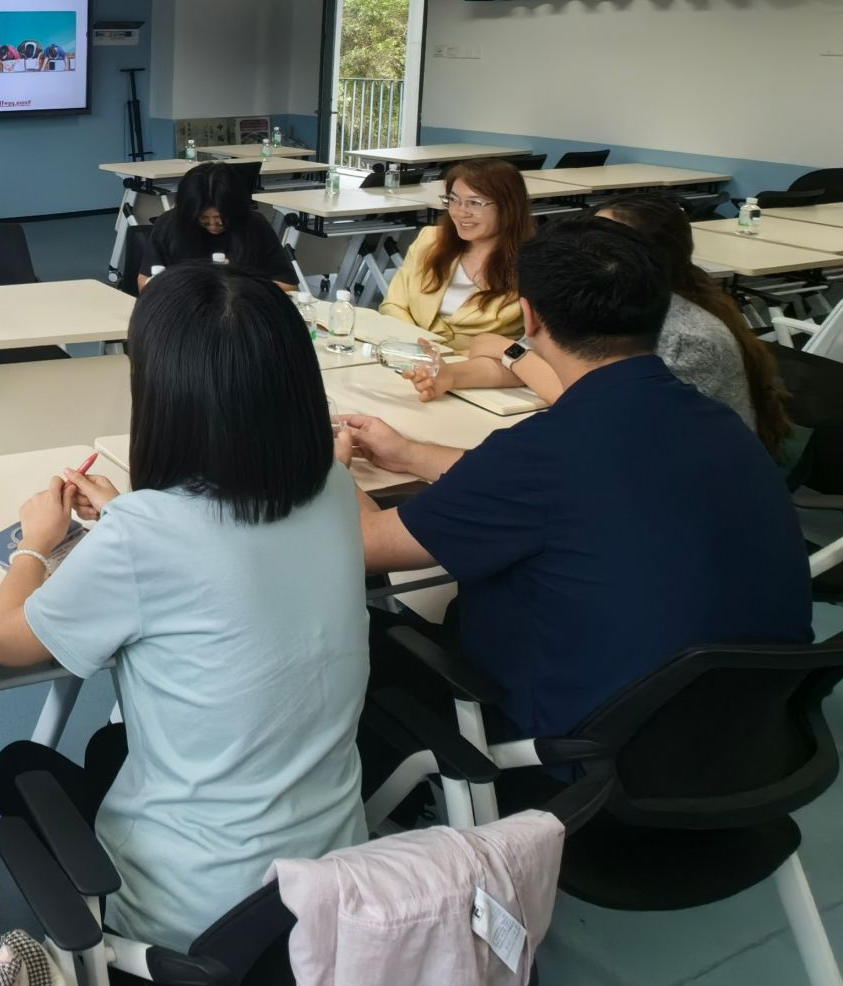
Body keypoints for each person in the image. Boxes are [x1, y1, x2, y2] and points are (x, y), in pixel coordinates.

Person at [0, 264, 369, 953]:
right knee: (110, 745)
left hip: (196, 913)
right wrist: (132, 511)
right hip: (335, 881)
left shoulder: (145, 535)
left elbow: (8, 640)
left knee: (19, 767)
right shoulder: (336, 488)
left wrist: (35, 544)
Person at [343, 218, 810, 742]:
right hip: (748, 734)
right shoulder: (717, 423)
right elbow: (564, 488)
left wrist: (330, 467)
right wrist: (411, 455)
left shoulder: (542, 451)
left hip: (584, 749)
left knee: (363, 634)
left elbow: (362, 547)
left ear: (530, 318)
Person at [405, 194, 791, 453]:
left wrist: (510, 351)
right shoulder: (595, 300)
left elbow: (589, 403)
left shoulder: (686, 337)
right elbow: (529, 361)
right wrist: (451, 376)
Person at [379, 159, 533, 345]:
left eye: (474, 203)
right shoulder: (431, 240)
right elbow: (393, 305)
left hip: (479, 361)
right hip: (412, 352)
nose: (461, 212)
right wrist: (420, 347)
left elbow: (539, 341)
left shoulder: (534, 261)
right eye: (453, 200)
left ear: (508, 206)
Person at [137, 160, 292, 291]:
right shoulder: (169, 224)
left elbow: (288, 285)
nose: (212, 226)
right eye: (203, 219)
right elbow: (144, 281)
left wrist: (240, 284)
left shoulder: (255, 225)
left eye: (220, 219)